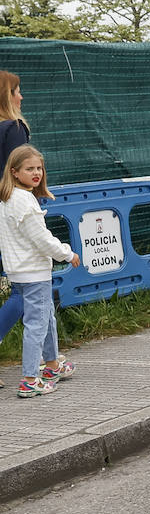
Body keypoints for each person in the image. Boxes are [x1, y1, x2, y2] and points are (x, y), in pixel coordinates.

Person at [0, 146, 78, 397]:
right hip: (34, 273)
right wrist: (67, 253)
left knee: (46, 319)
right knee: (36, 325)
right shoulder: (25, 202)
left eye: (39, 168)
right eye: (29, 169)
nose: (36, 173)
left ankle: (53, 364)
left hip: (19, 272)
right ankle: (30, 379)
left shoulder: (7, 199)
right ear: (14, 172)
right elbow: (42, 239)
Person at [0, 71, 32, 372]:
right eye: (16, 92)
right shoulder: (14, 128)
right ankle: (48, 360)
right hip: (9, 216)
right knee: (25, 289)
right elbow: (17, 177)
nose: (21, 98)